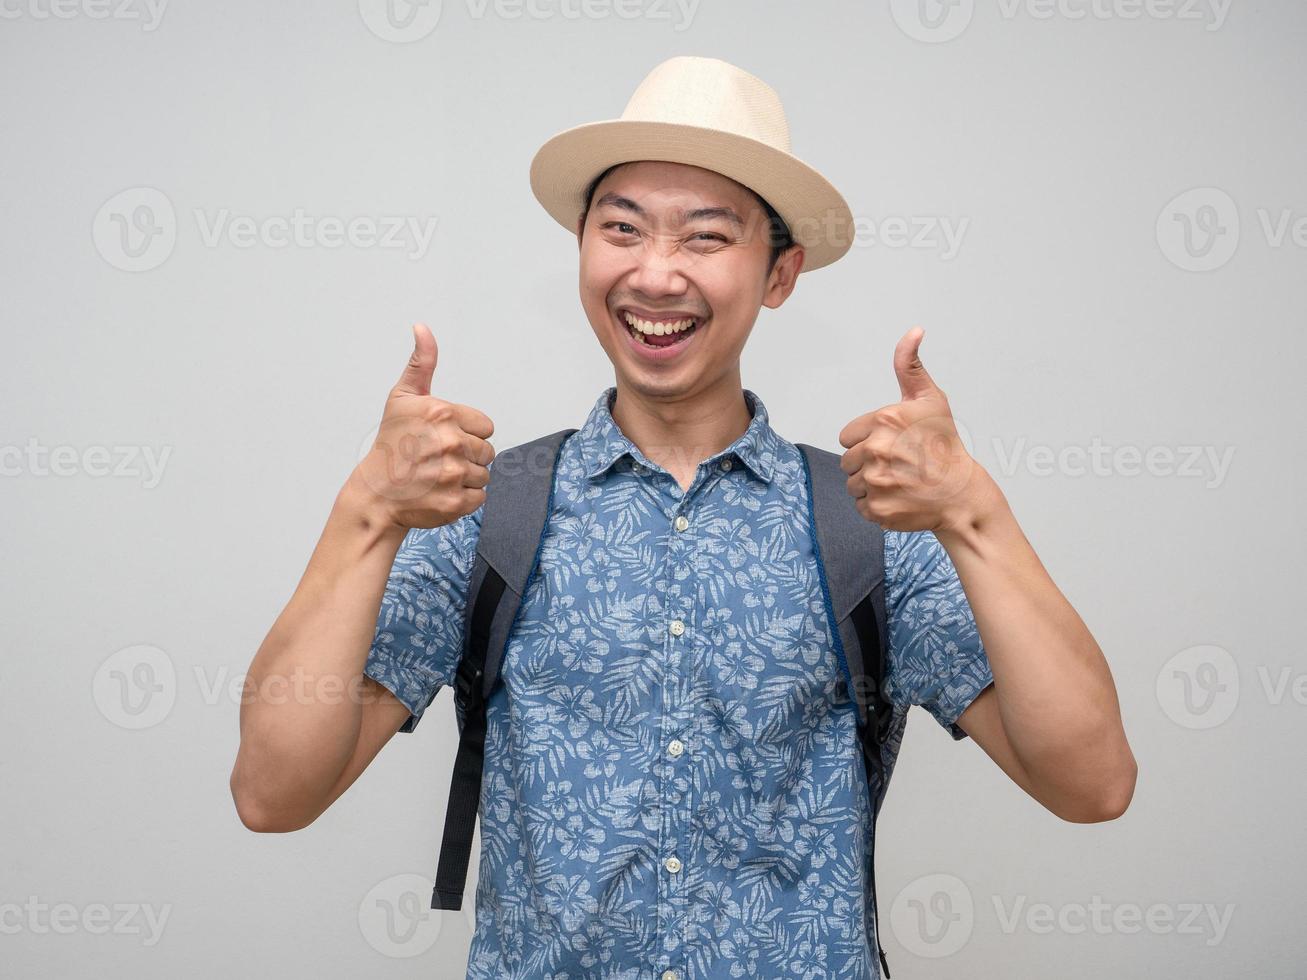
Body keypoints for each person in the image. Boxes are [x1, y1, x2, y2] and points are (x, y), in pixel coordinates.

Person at [231, 55, 1137, 980]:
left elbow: (1091, 783)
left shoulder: (866, 528)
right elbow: (273, 793)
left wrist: (974, 516)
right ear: (582, 247)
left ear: (779, 273)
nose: (655, 274)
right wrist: (367, 514)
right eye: (621, 229)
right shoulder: (482, 513)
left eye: (705, 238)